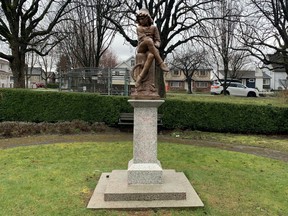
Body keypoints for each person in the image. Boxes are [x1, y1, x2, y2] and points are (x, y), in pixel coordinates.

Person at [134, 9, 169, 88]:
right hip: (142, 47)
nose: (141, 20)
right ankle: (160, 62)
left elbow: (158, 40)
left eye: (142, 18)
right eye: (139, 19)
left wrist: (156, 45)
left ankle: (140, 79)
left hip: (151, 48)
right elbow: (144, 39)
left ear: (148, 18)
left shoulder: (154, 28)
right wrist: (153, 44)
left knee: (151, 56)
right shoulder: (139, 28)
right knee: (148, 40)